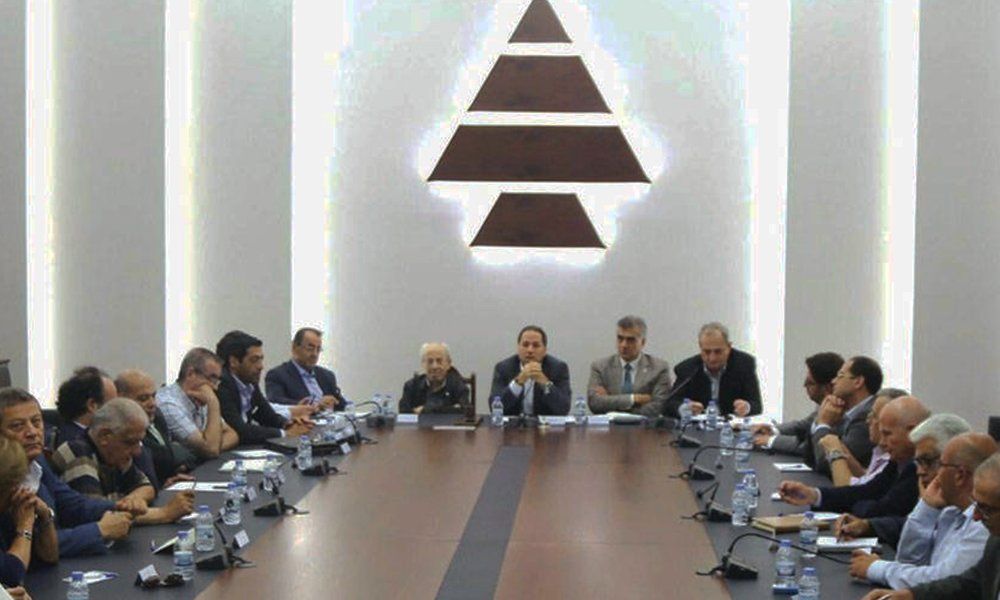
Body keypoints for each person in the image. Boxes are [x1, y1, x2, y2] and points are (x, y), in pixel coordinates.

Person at [851, 432, 996, 589]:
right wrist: (926, 508)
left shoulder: (985, 524)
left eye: (941, 465)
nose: (934, 473)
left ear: (960, 475)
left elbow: (946, 581)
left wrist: (878, 569)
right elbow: (909, 561)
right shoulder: (950, 513)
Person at [0, 387, 133, 558]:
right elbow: (29, 547)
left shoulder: (38, 461)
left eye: (36, 422)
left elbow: (70, 503)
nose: (32, 432)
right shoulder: (5, 480)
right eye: (18, 426)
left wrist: (120, 507)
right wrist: (100, 530)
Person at [778, 396, 930, 521]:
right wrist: (813, 495)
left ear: (913, 430)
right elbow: (868, 491)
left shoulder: (920, 467)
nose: (882, 442)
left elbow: (880, 511)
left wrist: (857, 506)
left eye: (887, 434)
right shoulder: (899, 461)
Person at [833, 413, 970, 548]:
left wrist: (926, 508)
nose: (920, 471)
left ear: (958, 465)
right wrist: (868, 526)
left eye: (927, 461)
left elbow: (925, 560)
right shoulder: (947, 507)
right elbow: (907, 537)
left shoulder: (973, 518)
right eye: (918, 462)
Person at [49, 399, 193, 526]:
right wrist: (164, 513)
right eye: (131, 442)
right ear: (105, 436)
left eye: (139, 442)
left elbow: (147, 487)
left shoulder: (113, 453)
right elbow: (97, 515)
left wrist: (132, 501)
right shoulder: (77, 453)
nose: (137, 452)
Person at [216, 331, 313, 444]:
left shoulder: (249, 382)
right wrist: (285, 433)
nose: (260, 366)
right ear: (234, 362)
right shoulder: (221, 385)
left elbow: (267, 415)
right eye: (254, 360)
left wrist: (288, 424)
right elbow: (239, 430)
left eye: (261, 359)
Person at [115, 370, 197, 488]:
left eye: (153, 396)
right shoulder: (122, 433)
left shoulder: (157, 416)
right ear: (121, 399)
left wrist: (167, 479)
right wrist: (158, 486)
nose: (152, 404)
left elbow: (168, 458)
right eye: (143, 398)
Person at [752, 352, 844, 456]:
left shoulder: (838, 410)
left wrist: (770, 440)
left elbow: (812, 447)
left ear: (826, 388)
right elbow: (804, 425)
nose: (804, 385)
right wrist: (773, 430)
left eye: (810, 382)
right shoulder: (824, 404)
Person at [804, 355, 883, 476]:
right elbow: (810, 459)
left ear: (858, 382)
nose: (833, 381)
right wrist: (820, 420)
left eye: (840, 376)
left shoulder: (867, 418)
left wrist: (823, 424)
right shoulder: (844, 412)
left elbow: (827, 463)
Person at [665, 322, 761, 418]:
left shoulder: (744, 364)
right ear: (700, 347)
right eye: (707, 352)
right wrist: (683, 408)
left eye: (718, 351)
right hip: (699, 426)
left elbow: (756, 405)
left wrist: (747, 407)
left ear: (729, 347)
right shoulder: (688, 369)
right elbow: (669, 404)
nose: (712, 358)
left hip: (732, 425)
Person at [157, 347, 239, 459]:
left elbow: (232, 435)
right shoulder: (169, 404)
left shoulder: (200, 397)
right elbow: (211, 450)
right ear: (190, 374)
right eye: (212, 379)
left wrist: (212, 445)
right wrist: (213, 404)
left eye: (217, 381)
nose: (215, 387)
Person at [819, 388, 908, 487]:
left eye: (874, 415)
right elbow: (868, 480)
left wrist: (835, 452)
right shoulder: (881, 452)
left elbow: (849, 491)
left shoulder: (895, 459)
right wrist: (843, 450)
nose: (868, 421)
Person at [586, 316, 672, 416]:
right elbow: (595, 403)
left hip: (644, 425)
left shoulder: (658, 368)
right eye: (620, 338)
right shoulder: (600, 367)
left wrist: (613, 405)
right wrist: (633, 399)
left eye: (630, 340)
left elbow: (659, 406)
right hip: (609, 425)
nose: (624, 345)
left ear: (643, 342)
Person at [0, 436, 57, 587]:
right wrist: (25, 525)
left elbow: (49, 558)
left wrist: (45, 516)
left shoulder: (11, 510)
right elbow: (10, 575)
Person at [490, 325, 571, 416]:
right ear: (518, 348)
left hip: (545, 424)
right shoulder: (503, 368)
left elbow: (563, 409)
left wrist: (545, 383)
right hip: (513, 424)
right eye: (525, 345)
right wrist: (518, 382)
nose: (530, 350)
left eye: (536, 345)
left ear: (545, 350)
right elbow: (494, 408)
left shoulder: (558, 368)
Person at [265, 327, 346, 411]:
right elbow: (276, 403)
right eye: (310, 348)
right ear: (294, 347)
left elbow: (341, 404)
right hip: (301, 418)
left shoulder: (327, 375)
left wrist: (336, 403)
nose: (315, 354)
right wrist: (315, 405)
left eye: (318, 349)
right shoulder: (277, 375)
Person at [52, 367, 117, 448]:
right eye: (113, 405)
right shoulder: (79, 447)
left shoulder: (63, 433)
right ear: (92, 405)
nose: (117, 412)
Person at [399, 343, 469, 414]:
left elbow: (465, 412)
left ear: (448, 364)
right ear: (423, 364)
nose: (434, 366)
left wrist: (424, 409)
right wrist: (449, 408)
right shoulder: (412, 386)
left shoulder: (458, 386)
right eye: (430, 361)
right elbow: (403, 413)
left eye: (439, 361)